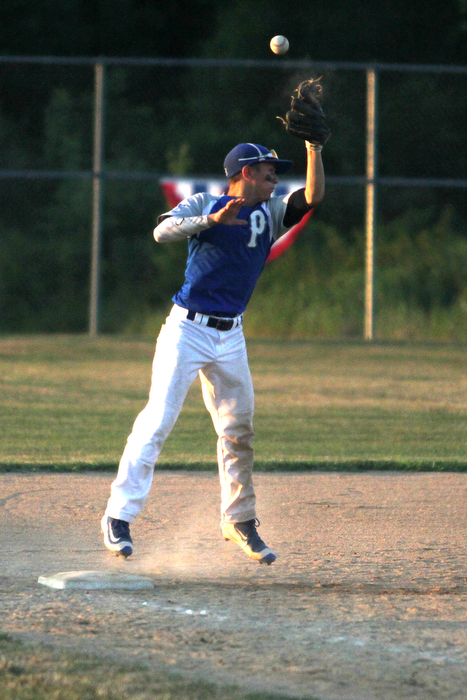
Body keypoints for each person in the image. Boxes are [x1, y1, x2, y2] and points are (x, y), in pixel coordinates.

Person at [101, 139, 325, 565]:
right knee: (158, 422)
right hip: (187, 329)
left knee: (238, 430)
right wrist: (209, 219)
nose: (275, 177)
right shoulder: (205, 201)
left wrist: (314, 149)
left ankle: (238, 520)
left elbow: (313, 196)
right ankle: (118, 516)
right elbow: (161, 230)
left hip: (231, 337)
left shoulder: (272, 212)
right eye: (268, 170)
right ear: (245, 172)